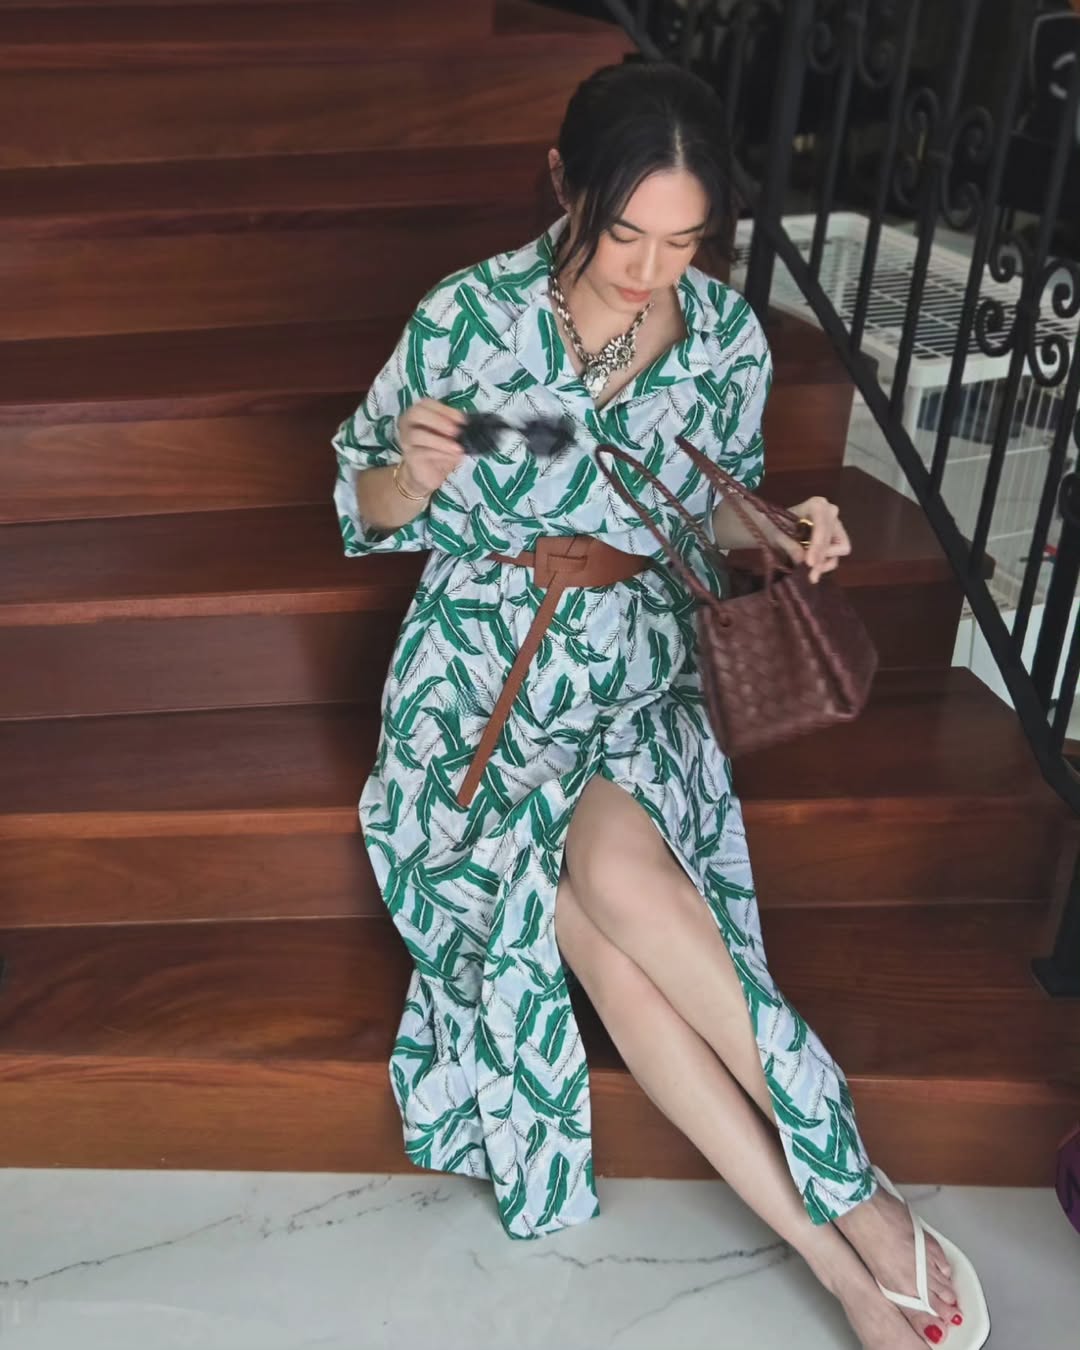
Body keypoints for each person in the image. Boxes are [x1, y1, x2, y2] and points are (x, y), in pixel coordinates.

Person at [333, 60, 986, 1350]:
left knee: (618, 891)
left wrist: (786, 528)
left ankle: (852, 1206)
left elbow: (705, 514)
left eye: (683, 242)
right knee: (597, 920)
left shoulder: (726, 339)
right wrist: (410, 476)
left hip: (636, 665)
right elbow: (361, 505)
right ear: (566, 185)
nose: (649, 270)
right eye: (626, 233)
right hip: (480, 687)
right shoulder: (468, 318)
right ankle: (850, 1235)